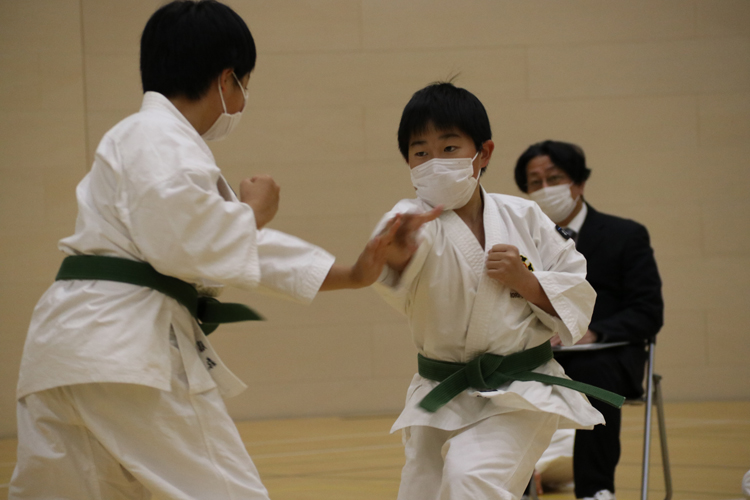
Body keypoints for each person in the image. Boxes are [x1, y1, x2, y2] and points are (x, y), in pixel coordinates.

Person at [9, 2, 436, 498]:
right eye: (244, 83)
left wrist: (355, 273)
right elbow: (188, 245)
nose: (243, 98)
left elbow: (233, 246)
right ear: (226, 79)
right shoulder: (157, 138)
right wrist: (254, 209)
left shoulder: (148, 141)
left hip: (67, 352)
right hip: (123, 350)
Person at [370, 82, 627, 500]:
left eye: (449, 148)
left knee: (472, 480)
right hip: (441, 389)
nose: (435, 162)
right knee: (424, 492)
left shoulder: (524, 216)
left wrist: (526, 281)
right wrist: (395, 258)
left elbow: (576, 291)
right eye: (421, 152)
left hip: (522, 391)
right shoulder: (407, 220)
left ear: (482, 153)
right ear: (408, 162)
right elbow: (393, 282)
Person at [514, 140, 664, 500]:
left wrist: (592, 334)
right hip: (541, 354)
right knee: (501, 378)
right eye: (535, 182)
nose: (546, 188)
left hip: (606, 354)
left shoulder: (625, 235)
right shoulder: (519, 243)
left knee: (595, 374)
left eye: (555, 178)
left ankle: (594, 491)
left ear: (579, 183)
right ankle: (513, 488)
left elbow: (647, 311)